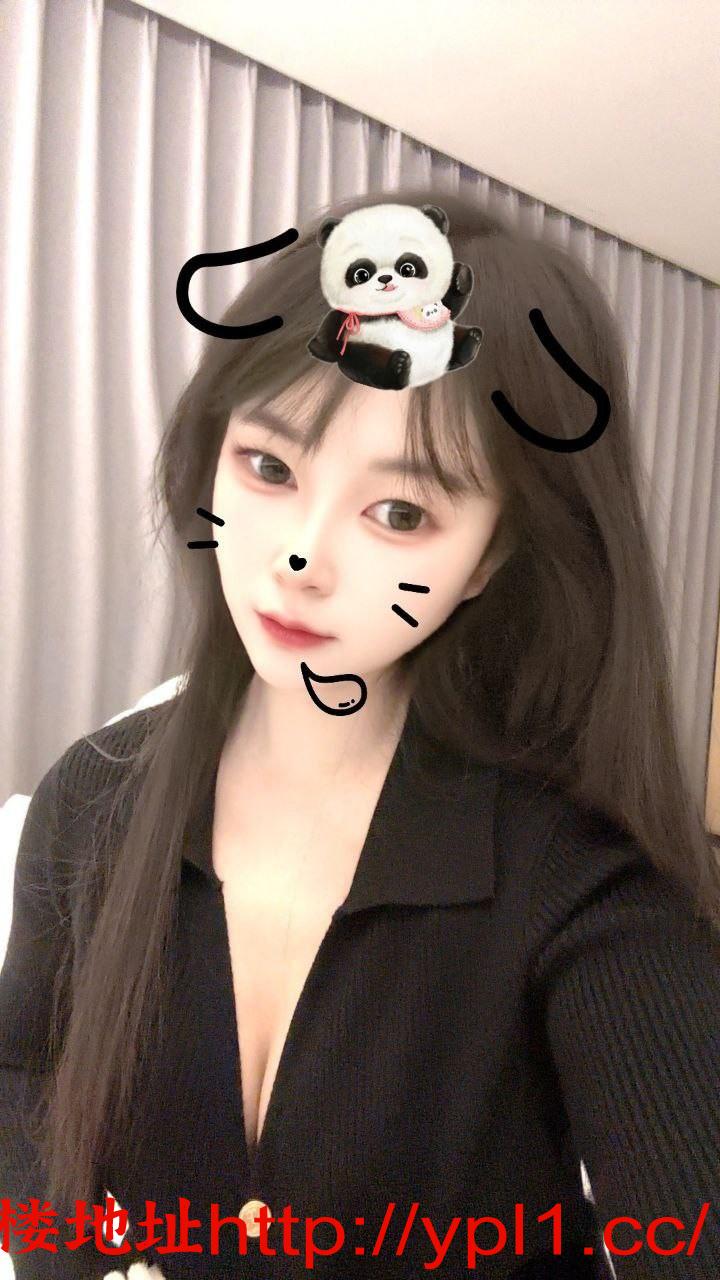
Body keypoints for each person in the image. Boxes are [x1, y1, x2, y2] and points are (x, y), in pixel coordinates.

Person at [2, 185, 720, 1280]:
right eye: (270, 467)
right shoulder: (92, 799)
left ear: (488, 559)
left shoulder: (582, 876)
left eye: (400, 513)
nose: (302, 558)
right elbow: (24, 1077)